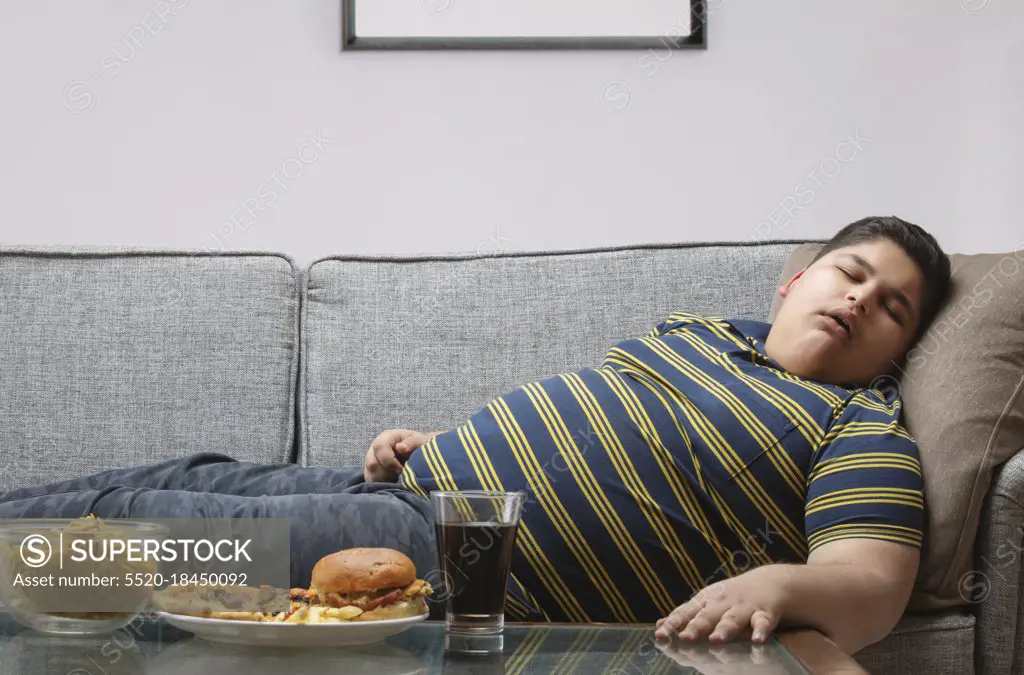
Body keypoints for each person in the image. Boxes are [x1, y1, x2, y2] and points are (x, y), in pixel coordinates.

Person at [0, 215, 950, 654]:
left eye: (893, 306)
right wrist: (444, 442)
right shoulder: (698, 335)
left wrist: (777, 581)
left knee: (141, 531)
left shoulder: (858, 426)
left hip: (462, 563)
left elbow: (870, 586)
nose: (861, 298)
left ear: (899, 348)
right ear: (797, 280)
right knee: (173, 473)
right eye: (850, 272)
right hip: (405, 492)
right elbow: (588, 433)